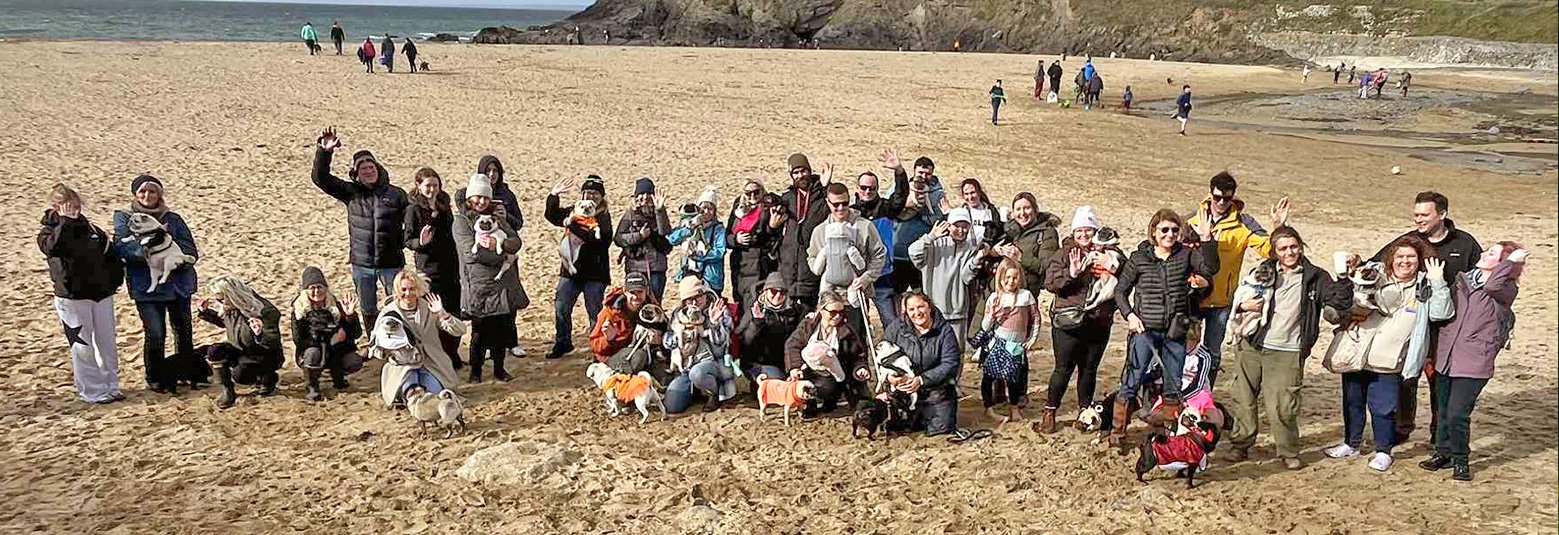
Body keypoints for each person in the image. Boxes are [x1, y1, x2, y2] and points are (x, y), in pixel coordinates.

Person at [1223, 227, 1353, 469]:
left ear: (1301, 246)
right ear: (1275, 251)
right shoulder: (1264, 271)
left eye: (1293, 246)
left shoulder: (1316, 277)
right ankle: (1240, 444)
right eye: (1283, 248)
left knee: (1284, 404)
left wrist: (1344, 278)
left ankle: (1287, 450)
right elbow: (1237, 299)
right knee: (1243, 398)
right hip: (1252, 344)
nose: (1289, 252)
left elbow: (1337, 302)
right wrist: (1242, 307)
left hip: (1288, 350)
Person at [1321, 237, 1451, 472]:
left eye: (1411, 257)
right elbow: (1350, 299)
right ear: (1391, 258)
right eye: (1400, 256)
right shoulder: (1375, 275)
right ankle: (1351, 443)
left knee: (1384, 408)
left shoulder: (1426, 286)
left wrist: (1439, 282)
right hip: (1357, 350)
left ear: (1419, 260)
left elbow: (1441, 314)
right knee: (1352, 402)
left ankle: (1383, 451)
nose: (1405, 261)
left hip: (1390, 359)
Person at [1372, 191, 1481, 445]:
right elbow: (1377, 264)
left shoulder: (1465, 244)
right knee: (1404, 377)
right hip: (1410, 323)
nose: (1418, 220)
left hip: (1447, 327)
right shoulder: (1408, 241)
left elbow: (1480, 284)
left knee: (1438, 382)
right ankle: (1402, 427)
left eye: (1424, 215)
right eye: (1416, 214)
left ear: (1442, 214)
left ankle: (1438, 434)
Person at [1111, 208, 1218, 445]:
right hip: (1144, 330)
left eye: (1174, 230)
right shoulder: (1139, 259)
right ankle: (1117, 433)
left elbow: (1210, 270)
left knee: (1173, 383)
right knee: (1132, 379)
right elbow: (1120, 291)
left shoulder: (1186, 255)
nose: (1169, 234)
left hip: (1174, 331)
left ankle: (1170, 432)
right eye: (1164, 230)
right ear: (1154, 231)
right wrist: (1130, 315)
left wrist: (1207, 240)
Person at [1423, 242, 1526, 481]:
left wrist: (1511, 263)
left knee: (1458, 412)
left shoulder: (1506, 288)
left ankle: (1461, 460)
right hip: (1447, 355)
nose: (1482, 254)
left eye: (1491, 254)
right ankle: (1442, 452)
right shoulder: (1463, 280)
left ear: (1503, 265)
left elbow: (1491, 285)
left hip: (1475, 360)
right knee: (1443, 409)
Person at [1185, 171, 1290, 381]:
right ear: (1210, 193)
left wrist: (1278, 227)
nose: (1221, 202)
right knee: (1186, 351)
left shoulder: (1244, 223)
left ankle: (1207, 395)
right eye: (1217, 197)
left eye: (1227, 198)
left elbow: (1268, 251)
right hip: (1191, 298)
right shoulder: (1192, 220)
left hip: (1222, 301)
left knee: (1212, 354)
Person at [312, 128, 409, 329]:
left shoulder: (396, 194)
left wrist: (403, 243)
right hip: (362, 263)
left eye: (371, 167)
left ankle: (400, 342)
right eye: (363, 169)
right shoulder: (351, 193)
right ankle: (374, 341)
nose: (368, 171)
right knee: (368, 307)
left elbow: (411, 223)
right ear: (357, 174)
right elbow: (320, 178)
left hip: (391, 262)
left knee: (399, 304)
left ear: (378, 168)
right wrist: (324, 151)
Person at [113, 174, 199, 395]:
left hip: (178, 282)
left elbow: (189, 248)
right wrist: (157, 251)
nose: (147, 195)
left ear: (159, 194)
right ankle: (155, 376)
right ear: (135, 194)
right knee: (156, 332)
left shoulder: (174, 218)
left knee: (183, 330)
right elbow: (125, 249)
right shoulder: (125, 219)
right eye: (142, 191)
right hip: (147, 286)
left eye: (152, 191)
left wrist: (177, 259)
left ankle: (184, 371)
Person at [40, 184, 125, 404]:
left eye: (77, 206)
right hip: (72, 297)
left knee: (107, 342)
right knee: (82, 345)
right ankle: (92, 390)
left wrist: (113, 282)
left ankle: (111, 385)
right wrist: (66, 222)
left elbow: (110, 255)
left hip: (101, 294)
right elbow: (54, 248)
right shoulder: (49, 232)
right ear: (56, 207)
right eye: (68, 207)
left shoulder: (92, 230)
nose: (74, 210)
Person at [1042, 206, 1121, 432]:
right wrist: (1072, 274)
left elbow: (1123, 274)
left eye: (1088, 231)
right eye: (1079, 232)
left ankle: (1084, 412)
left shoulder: (1109, 252)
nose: (1084, 236)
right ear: (1073, 233)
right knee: (1063, 368)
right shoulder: (1064, 253)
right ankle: (1050, 410)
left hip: (1097, 323)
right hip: (1067, 322)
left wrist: (1110, 265)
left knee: (1089, 369)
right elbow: (1051, 284)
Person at [452, 174, 524, 382]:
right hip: (478, 284)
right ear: (469, 199)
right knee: (479, 332)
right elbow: (471, 254)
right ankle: (476, 372)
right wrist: (501, 252)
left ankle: (499, 369)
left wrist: (498, 246)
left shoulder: (497, 217)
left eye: (485, 197)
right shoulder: (461, 221)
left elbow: (515, 241)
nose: (481, 201)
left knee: (501, 329)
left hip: (501, 283)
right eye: (477, 197)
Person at [369, 271, 463, 408]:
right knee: (411, 392)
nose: (408, 294)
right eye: (404, 289)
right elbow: (375, 344)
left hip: (432, 363)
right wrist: (386, 351)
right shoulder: (388, 313)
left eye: (412, 289)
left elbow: (460, 330)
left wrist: (442, 314)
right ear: (397, 290)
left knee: (433, 395)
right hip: (403, 366)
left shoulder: (429, 307)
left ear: (418, 289)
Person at [544, 175, 613, 359]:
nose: (590, 196)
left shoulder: (603, 216)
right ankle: (563, 342)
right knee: (561, 306)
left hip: (595, 274)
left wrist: (572, 225)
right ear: (581, 195)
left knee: (594, 311)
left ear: (601, 197)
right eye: (587, 192)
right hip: (570, 271)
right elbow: (551, 216)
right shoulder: (575, 210)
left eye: (595, 193)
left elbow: (600, 241)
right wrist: (553, 195)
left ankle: (597, 347)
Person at [404, 167, 463, 367]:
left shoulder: (444, 205)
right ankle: (437, 354)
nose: (432, 189)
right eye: (428, 185)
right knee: (432, 314)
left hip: (451, 266)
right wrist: (420, 242)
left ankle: (452, 352)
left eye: (435, 185)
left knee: (453, 312)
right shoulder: (413, 209)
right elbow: (408, 240)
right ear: (418, 186)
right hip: (428, 268)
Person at [882, 291, 961, 436]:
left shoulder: (945, 331)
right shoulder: (895, 329)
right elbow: (883, 359)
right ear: (905, 311)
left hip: (936, 388)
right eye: (911, 309)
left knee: (941, 429)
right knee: (896, 428)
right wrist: (890, 378)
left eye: (920, 307)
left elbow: (950, 364)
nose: (917, 313)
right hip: (902, 389)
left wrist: (921, 380)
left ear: (929, 307)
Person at [197, 276, 283, 409]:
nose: (219, 302)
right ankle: (227, 390)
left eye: (221, 298)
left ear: (232, 295)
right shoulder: (229, 308)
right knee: (215, 351)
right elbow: (224, 322)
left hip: (262, 353)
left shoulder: (264, 311)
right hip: (239, 349)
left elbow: (272, 342)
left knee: (240, 375)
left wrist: (259, 334)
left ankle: (267, 377)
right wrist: (205, 312)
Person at [784, 291, 870, 416]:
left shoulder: (847, 331)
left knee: (830, 389)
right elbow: (792, 345)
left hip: (834, 376)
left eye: (841, 312)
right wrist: (795, 367)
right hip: (808, 371)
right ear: (821, 310)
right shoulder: (808, 325)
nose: (837, 316)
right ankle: (809, 401)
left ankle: (830, 398)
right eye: (833, 312)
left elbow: (858, 355)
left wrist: (860, 368)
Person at [977, 259, 1042, 422]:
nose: (1010, 282)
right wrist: (991, 315)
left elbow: (1036, 318)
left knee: (1014, 379)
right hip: (997, 343)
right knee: (989, 376)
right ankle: (988, 408)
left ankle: (1014, 408)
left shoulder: (1026, 296)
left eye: (1014, 278)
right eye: (1007, 278)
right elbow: (985, 326)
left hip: (1017, 345)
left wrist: (1032, 339)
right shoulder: (994, 298)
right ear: (1000, 278)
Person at [909, 211, 982, 350]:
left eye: (965, 226)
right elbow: (913, 252)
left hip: (958, 311)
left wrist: (976, 261)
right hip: (934, 312)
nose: (961, 230)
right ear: (948, 226)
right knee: (934, 352)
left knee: (956, 353)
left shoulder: (970, 249)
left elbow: (966, 277)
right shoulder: (933, 245)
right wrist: (931, 236)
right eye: (957, 226)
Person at [289, 267, 364, 402]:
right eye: (312, 288)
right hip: (313, 348)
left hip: (337, 350)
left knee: (354, 361)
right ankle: (312, 385)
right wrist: (320, 337)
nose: (317, 291)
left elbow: (356, 333)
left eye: (320, 287)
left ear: (326, 288)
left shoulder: (336, 306)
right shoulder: (299, 310)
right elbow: (298, 339)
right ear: (306, 290)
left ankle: (338, 377)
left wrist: (350, 317)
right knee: (313, 354)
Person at [853, 150, 911, 325]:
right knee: (857, 323)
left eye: (871, 188)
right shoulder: (851, 212)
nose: (867, 191)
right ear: (858, 188)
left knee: (891, 322)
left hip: (882, 275)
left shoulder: (886, 208)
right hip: (857, 276)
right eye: (864, 187)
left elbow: (900, 196)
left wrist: (899, 171)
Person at [663, 278, 737, 413]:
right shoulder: (678, 314)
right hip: (685, 364)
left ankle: (713, 393)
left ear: (705, 293)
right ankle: (694, 391)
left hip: (712, 362)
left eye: (698, 296)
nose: (694, 302)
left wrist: (714, 324)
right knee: (672, 406)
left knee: (697, 374)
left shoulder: (718, 309)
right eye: (689, 299)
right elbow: (667, 340)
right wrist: (679, 336)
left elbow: (721, 346)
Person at [807, 182, 888, 305]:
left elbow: (879, 255)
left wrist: (866, 278)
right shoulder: (820, 230)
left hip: (857, 294)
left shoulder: (865, 226)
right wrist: (818, 268)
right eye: (836, 204)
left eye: (844, 203)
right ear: (828, 203)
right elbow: (812, 257)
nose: (840, 208)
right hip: (830, 298)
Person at [887, 154, 948, 294]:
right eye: (921, 172)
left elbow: (938, 221)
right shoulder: (900, 188)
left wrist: (922, 211)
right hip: (897, 253)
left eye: (928, 174)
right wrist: (904, 205)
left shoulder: (938, 194)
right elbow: (886, 211)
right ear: (914, 171)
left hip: (921, 256)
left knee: (922, 296)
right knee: (894, 295)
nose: (924, 176)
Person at [777, 153, 830, 307]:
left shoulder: (821, 195)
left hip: (812, 267)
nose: (800, 175)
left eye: (803, 171)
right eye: (796, 172)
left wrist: (825, 187)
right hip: (789, 268)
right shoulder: (787, 198)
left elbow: (833, 209)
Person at [738, 272, 808, 382]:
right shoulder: (755, 309)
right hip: (760, 362)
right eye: (773, 291)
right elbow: (745, 342)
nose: (777, 296)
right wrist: (757, 323)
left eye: (782, 292)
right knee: (775, 381)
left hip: (786, 360)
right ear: (765, 291)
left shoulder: (796, 310)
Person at [727, 187, 784, 312]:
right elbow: (727, 238)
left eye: (756, 192)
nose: (752, 196)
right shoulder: (738, 209)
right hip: (740, 265)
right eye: (748, 193)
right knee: (740, 303)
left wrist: (771, 227)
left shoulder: (768, 207)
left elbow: (773, 237)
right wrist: (736, 239)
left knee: (756, 305)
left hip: (760, 265)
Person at [618, 177, 674, 301]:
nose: (645, 198)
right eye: (641, 194)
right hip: (634, 267)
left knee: (654, 302)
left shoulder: (659, 213)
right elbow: (619, 238)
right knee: (634, 302)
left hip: (656, 268)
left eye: (648, 194)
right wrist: (639, 236)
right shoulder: (630, 215)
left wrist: (660, 210)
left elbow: (665, 231)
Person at [668, 187, 729, 296]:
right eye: (703, 208)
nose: (706, 212)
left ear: (715, 212)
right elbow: (672, 239)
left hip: (710, 278)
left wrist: (699, 256)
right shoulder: (689, 225)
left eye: (710, 209)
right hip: (689, 275)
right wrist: (690, 228)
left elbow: (720, 252)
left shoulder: (718, 229)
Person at [589, 272, 658, 362]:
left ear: (647, 291)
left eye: (640, 292)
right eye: (632, 292)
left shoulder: (654, 310)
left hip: (644, 357)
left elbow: (667, 333)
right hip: (613, 360)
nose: (636, 297)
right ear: (625, 292)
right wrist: (608, 339)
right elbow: (594, 346)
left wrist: (659, 339)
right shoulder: (609, 313)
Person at [1004, 192, 1060, 299]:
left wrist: (1021, 257)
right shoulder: (1007, 229)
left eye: (1027, 208)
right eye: (1018, 209)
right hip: (1001, 288)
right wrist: (996, 251)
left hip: (1026, 292)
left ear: (1035, 209)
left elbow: (1047, 266)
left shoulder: (1046, 232)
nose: (1022, 213)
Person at [953, 178, 1003, 244]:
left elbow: (998, 234)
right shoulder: (960, 213)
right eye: (966, 194)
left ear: (979, 192)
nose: (970, 197)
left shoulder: (991, 212)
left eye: (973, 193)